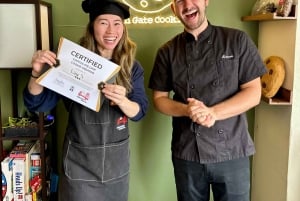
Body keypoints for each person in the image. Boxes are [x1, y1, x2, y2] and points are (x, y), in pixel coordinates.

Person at [23, 0, 148, 200]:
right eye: (103, 22)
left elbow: (140, 111)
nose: (111, 30)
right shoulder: (72, 62)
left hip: (116, 167)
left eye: (117, 23)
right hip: (79, 165)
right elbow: (38, 103)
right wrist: (36, 72)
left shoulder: (132, 67)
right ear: (92, 26)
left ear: (123, 28)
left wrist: (124, 101)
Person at [148, 0, 267, 201]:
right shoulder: (167, 51)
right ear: (173, 9)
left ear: (205, 1)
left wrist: (213, 113)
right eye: (179, 1)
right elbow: (159, 99)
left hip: (232, 151)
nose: (187, 5)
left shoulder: (237, 40)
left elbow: (254, 92)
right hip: (187, 154)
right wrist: (187, 110)